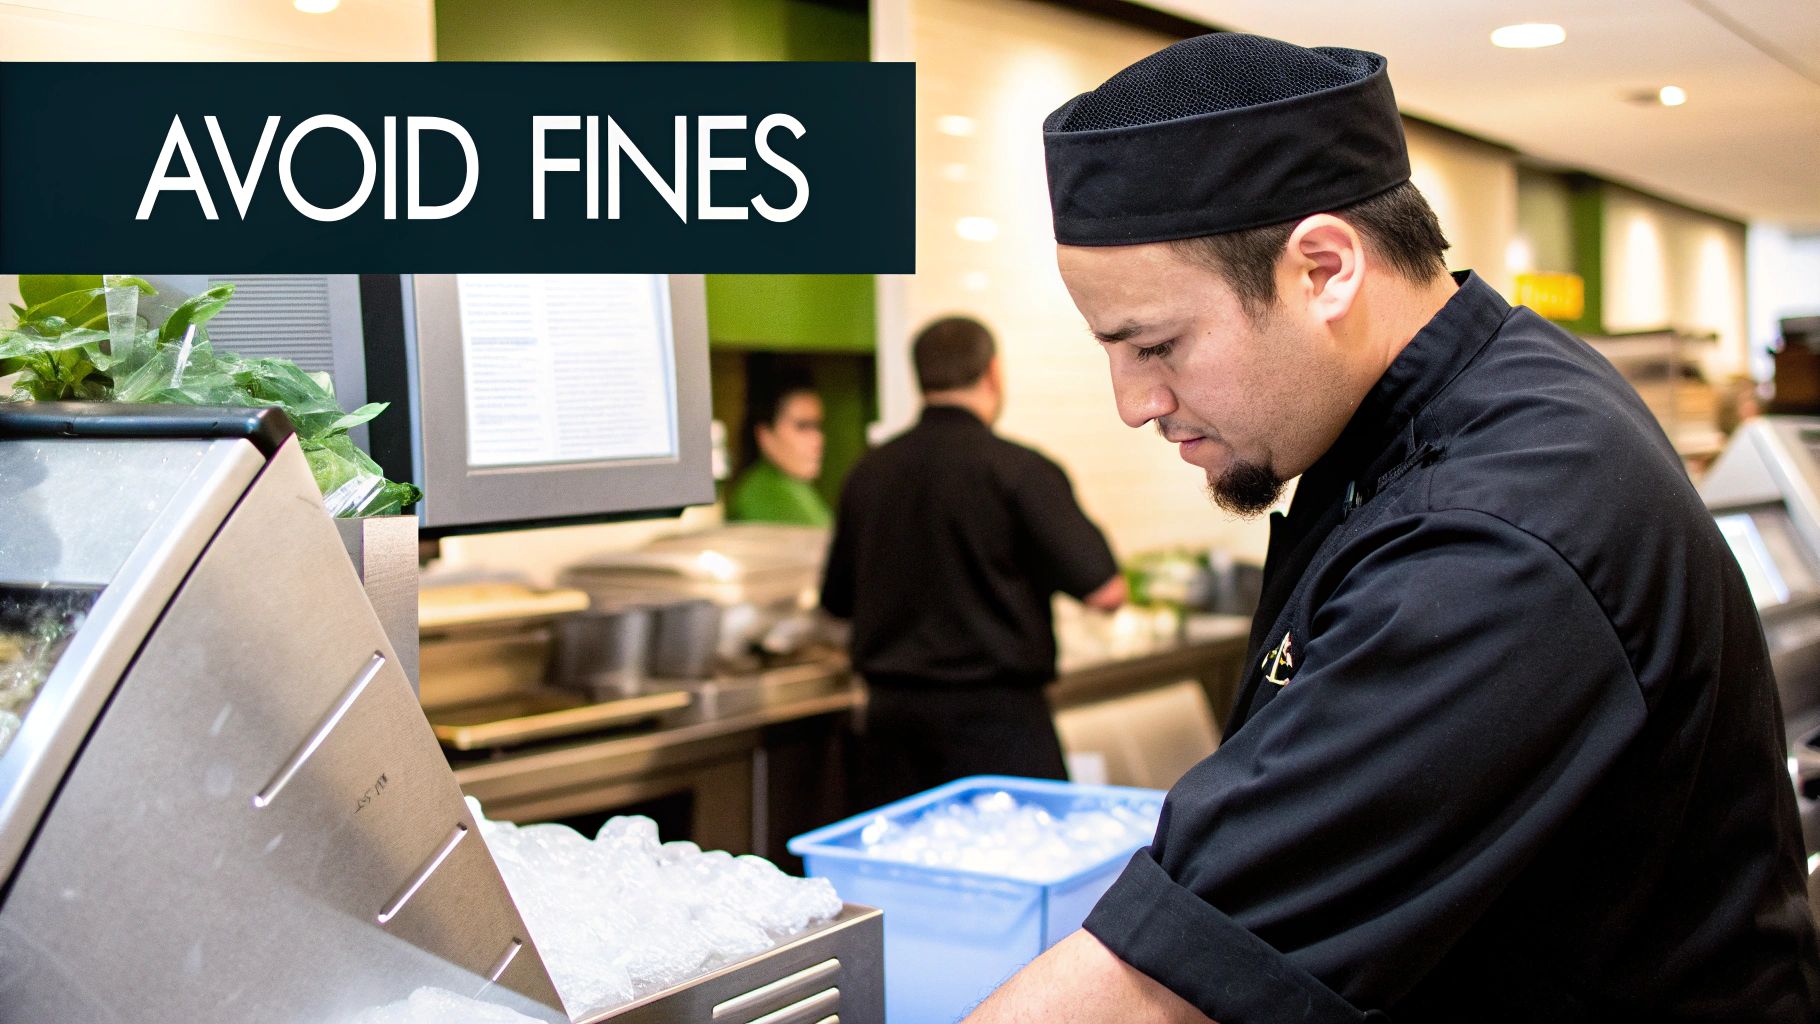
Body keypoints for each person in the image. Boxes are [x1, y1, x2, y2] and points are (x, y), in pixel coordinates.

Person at [964, 32, 1820, 1023]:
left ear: (1323, 267)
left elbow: (1154, 994)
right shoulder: (1484, 390)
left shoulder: (1496, 543)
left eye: (1155, 344)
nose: (1133, 401)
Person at [820, 316, 1126, 808]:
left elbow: (835, 602)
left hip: (891, 729)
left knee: (902, 878)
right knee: (1018, 872)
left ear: (921, 379)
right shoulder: (1022, 471)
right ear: (993, 373)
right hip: (998, 729)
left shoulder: (868, 472)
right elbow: (1106, 590)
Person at [725, 379, 832, 527]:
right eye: (802, 426)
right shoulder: (763, 495)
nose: (818, 440)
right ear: (765, 435)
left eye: (817, 426)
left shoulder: (797, 487)